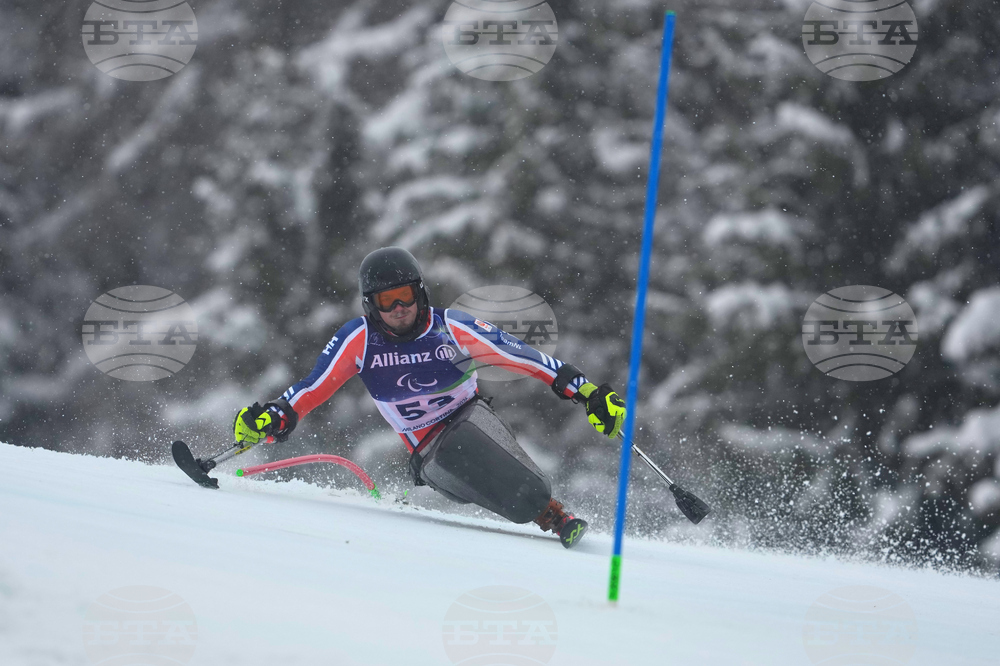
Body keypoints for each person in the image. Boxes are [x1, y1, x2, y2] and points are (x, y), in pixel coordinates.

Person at [233, 247, 626, 548]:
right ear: (372, 305)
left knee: (465, 444)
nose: (399, 309)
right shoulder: (360, 339)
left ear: (420, 293)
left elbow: (522, 357)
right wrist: (276, 415)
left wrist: (586, 392)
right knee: (451, 457)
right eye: (387, 301)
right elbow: (313, 387)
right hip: (427, 454)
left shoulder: (451, 329)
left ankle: (554, 515)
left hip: (472, 420)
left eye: (404, 295)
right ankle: (537, 511)